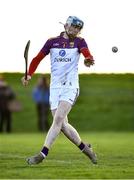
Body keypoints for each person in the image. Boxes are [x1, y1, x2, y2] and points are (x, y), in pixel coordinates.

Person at [21, 16, 97, 165]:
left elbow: (86, 53)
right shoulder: (52, 42)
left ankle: (42, 154)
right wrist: (28, 75)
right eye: (74, 27)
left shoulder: (79, 42)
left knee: (57, 119)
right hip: (55, 88)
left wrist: (88, 59)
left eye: (78, 28)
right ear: (66, 26)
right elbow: (36, 59)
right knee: (62, 125)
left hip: (70, 86)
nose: (76, 30)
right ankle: (86, 149)